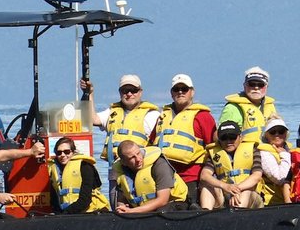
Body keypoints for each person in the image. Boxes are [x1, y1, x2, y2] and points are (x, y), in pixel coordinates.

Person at [154, 74, 217, 207]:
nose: (180, 92)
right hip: (165, 178)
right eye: (176, 89)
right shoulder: (163, 116)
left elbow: (214, 147)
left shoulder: (203, 116)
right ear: (171, 93)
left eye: (184, 89)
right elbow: (151, 144)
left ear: (192, 92)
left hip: (191, 176)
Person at [82, 74, 161, 167]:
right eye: (125, 91)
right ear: (120, 93)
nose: (129, 94)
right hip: (115, 166)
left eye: (134, 90)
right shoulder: (112, 112)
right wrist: (89, 93)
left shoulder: (152, 115)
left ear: (140, 92)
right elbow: (92, 119)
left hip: (139, 167)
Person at [199, 120, 264, 209]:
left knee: (247, 190)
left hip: (248, 194)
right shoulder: (215, 154)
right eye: (224, 138)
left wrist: (236, 189)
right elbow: (204, 175)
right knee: (207, 186)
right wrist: (225, 186)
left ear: (240, 137)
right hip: (224, 193)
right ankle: (205, 214)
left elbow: (257, 175)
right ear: (219, 140)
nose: (228, 141)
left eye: (232, 137)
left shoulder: (253, 150)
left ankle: (238, 215)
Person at [112, 141, 188, 215]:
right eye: (132, 158)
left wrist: (132, 211)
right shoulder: (121, 172)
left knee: (160, 213)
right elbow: (122, 198)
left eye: (138, 153)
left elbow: (163, 200)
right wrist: (122, 208)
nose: (138, 159)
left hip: (175, 204)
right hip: (142, 209)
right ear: (124, 162)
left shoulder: (159, 164)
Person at [47, 137, 111, 214]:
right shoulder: (54, 171)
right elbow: (54, 199)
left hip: (93, 211)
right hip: (70, 212)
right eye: (59, 153)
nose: (62, 155)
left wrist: (66, 213)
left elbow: (85, 199)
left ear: (73, 152)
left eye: (67, 152)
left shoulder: (85, 166)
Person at [219, 66, 278, 143]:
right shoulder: (232, 108)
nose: (256, 88)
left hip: (266, 150)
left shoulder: (270, 106)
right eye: (252, 84)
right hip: (245, 152)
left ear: (266, 87)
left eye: (260, 85)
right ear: (244, 86)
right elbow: (221, 136)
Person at [258, 116, 292, 206]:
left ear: (286, 134)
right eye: (273, 132)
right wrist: (285, 155)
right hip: (273, 203)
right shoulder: (264, 153)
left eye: (281, 131)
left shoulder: (290, 149)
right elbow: (280, 178)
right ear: (266, 135)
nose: (277, 135)